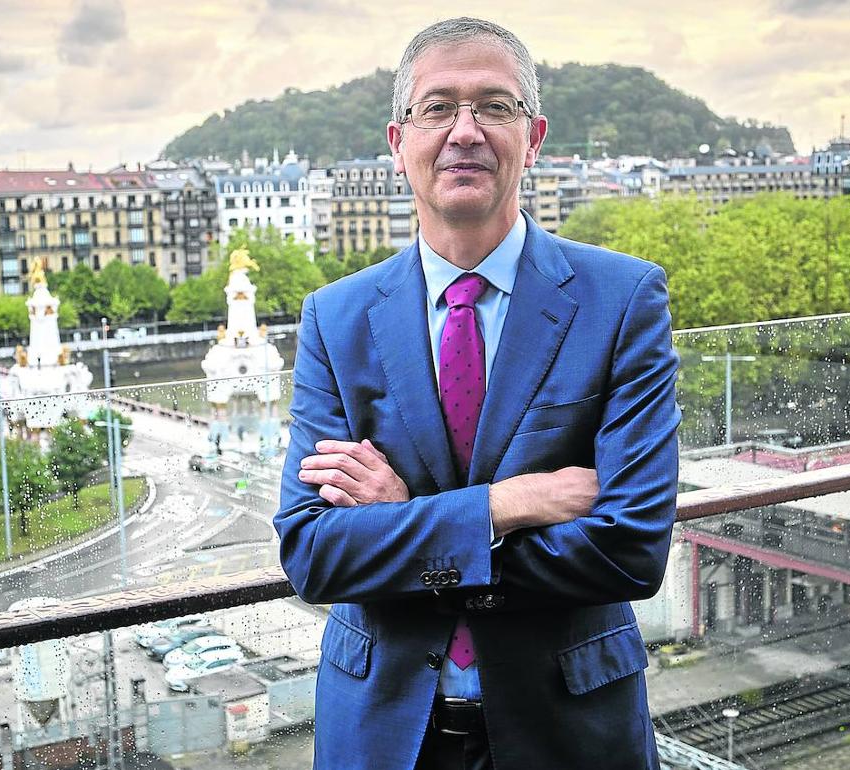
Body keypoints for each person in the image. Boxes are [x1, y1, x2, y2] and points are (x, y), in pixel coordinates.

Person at [274, 17, 681, 770]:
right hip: (384, 735)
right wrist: (503, 507)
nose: (466, 131)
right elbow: (312, 554)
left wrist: (403, 529)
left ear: (534, 138)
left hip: (570, 732)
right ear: (398, 145)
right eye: (438, 108)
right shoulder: (335, 317)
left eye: (495, 106)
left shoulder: (623, 299)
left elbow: (630, 549)